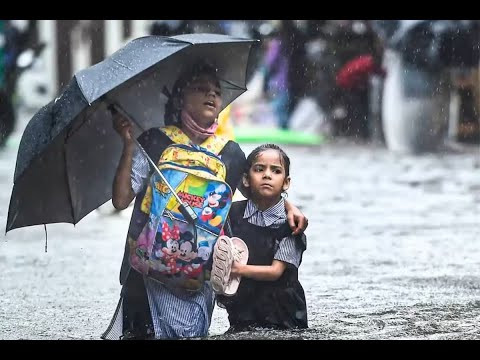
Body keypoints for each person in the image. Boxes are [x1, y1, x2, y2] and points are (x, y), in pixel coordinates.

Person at [101, 61, 308, 340]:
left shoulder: (230, 154)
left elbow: (262, 193)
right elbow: (120, 200)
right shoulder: (154, 142)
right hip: (147, 277)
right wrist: (128, 145)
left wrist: (289, 207)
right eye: (200, 89)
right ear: (181, 97)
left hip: (199, 279)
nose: (211, 95)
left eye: (216, 91)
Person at [216, 143, 308, 332]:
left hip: (283, 314)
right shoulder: (231, 214)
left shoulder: (290, 225)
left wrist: (236, 269)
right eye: (259, 169)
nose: (267, 175)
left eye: (276, 171)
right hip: (243, 309)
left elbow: (275, 271)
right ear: (246, 179)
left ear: (286, 182)